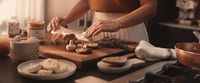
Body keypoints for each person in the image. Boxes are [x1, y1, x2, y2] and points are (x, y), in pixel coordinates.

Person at [48, 0, 157, 42]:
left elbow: (150, 7)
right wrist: (66, 19)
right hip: (96, 31)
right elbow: (87, 2)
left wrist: (118, 23)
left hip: (129, 31)